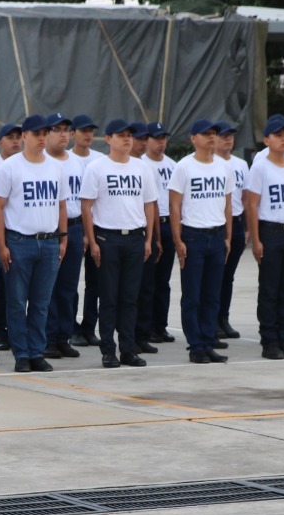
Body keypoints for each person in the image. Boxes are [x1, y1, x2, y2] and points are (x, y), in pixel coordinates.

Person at [0, 113, 66, 373]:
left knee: (41, 302)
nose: (42, 138)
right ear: (24, 136)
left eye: (45, 134)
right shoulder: (10, 167)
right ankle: (21, 354)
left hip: (47, 242)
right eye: (36, 134)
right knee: (16, 301)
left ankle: (37, 351)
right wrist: (1, 245)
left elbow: (61, 204)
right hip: (19, 241)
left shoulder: (56, 167)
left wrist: (63, 238)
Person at [81, 118, 158, 368]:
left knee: (130, 298)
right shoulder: (97, 167)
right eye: (121, 135)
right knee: (109, 297)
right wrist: (92, 242)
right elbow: (87, 206)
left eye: (130, 135)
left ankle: (128, 348)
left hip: (135, 238)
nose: (127, 139)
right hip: (107, 238)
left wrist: (148, 239)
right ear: (109, 139)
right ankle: (107, 350)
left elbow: (149, 204)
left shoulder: (141, 168)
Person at [170, 120, 234, 364]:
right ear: (193, 138)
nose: (211, 137)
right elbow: (175, 205)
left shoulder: (223, 167)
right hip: (194, 235)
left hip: (216, 234)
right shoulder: (184, 167)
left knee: (212, 294)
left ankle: (208, 341)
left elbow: (228, 204)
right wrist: (178, 239)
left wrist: (227, 236)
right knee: (193, 295)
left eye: (214, 133)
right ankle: (196, 345)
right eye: (205, 134)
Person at [245, 115, 284, 360]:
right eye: (278, 135)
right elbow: (252, 205)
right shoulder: (260, 167)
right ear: (266, 140)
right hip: (271, 231)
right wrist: (257, 239)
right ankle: (270, 341)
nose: (283, 139)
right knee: (270, 290)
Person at [43, 112, 84, 358]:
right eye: (56, 130)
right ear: (46, 134)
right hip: (50, 229)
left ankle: (63, 336)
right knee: (48, 286)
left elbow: (84, 199)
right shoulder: (42, 161)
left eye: (66, 130)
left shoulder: (77, 162)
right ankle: (48, 337)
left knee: (69, 286)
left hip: (76, 226)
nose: (62, 135)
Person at [140, 122, 176, 350]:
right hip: (150, 225)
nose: (161, 142)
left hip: (169, 223)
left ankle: (160, 325)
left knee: (164, 280)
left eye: (164, 137)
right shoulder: (141, 164)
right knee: (147, 281)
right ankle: (147, 327)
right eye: (156, 137)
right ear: (146, 140)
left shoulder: (173, 165)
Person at [0, 121, 23, 352]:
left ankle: (19, 329)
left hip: (20, 232)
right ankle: (0, 330)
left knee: (19, 288)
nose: (15, 141)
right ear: (0, 141)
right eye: (9, 137)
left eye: (18, 137)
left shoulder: (25, 165)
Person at [70, 114, 103, 345]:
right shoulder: (64, 159)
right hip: (71, 224)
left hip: (95, 225)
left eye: (91, 130)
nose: (88, 134)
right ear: (73, 134)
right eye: (83, 130)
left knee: (96, 282)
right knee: (69, 282)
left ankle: (89, 327)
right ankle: (70, 327)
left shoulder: (99, 160)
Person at [215, 122, 249, 340]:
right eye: (223, 136)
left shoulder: (241, 164)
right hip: (216, 223)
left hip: (236, 222)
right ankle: (212, 321)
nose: (228, 140)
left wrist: (245, 228)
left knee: (228, 277)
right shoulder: (212, 163)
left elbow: (245, 197)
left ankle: (223, 318)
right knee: (215, 276)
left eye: (231, 136)